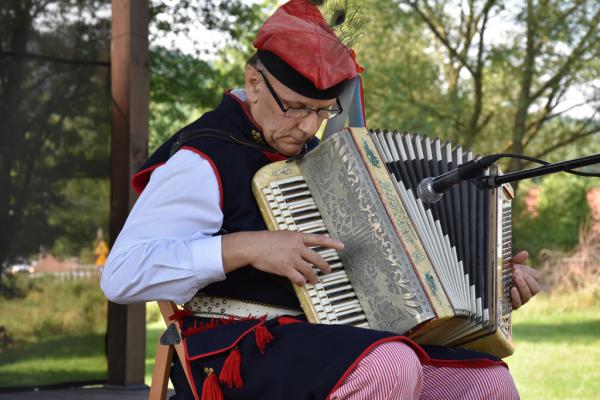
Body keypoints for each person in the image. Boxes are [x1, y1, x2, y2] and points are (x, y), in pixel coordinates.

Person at [101, 1, 541, 399]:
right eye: (295, 107)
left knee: (486, 383)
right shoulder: (202, 157)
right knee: (388, 365)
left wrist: (492, 284)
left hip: (330, 341)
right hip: (237, 345)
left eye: (321, 111)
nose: (308, 126)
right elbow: (121, 275)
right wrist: (248, 246)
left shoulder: (332, 162)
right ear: (253, 83)